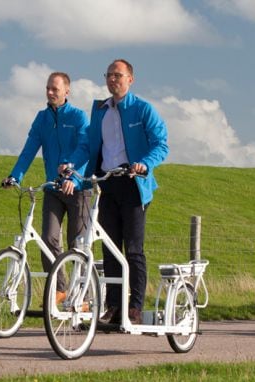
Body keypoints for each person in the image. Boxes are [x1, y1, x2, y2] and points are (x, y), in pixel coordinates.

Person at [61, 59, 168, 325]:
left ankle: (134, 307)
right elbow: (87, 144)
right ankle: (113, 306)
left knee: (133, 249)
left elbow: (161, 144)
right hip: (107, 182)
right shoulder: (100, 110)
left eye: (118, 75)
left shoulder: (143, 109)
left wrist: (145, 164)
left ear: (130, 79)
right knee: (109, 249)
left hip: (134, 184)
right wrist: (73, 165)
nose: (112, 80)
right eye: (109, 75)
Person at [2, 72, 90, 302]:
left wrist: (75, 180)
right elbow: (29, 149)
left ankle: (84, 295)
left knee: (77, 244)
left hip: (78, 190)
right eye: (48, 89)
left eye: (55, 89)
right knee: (48, 239)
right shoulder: (42, 118)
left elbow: (86, 151)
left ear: (66, 91)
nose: (50, 93)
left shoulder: (79, 117)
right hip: (53, 188)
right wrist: (15, 176)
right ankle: (59, 289)